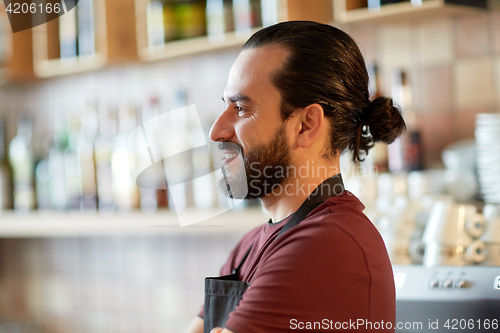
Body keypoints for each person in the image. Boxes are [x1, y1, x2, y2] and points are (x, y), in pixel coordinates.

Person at [187, 21, 406, 333]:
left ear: (306, 125)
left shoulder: (327, 245)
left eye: (241, 108)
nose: (216, 131)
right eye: (227, 106)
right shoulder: (249, 247)